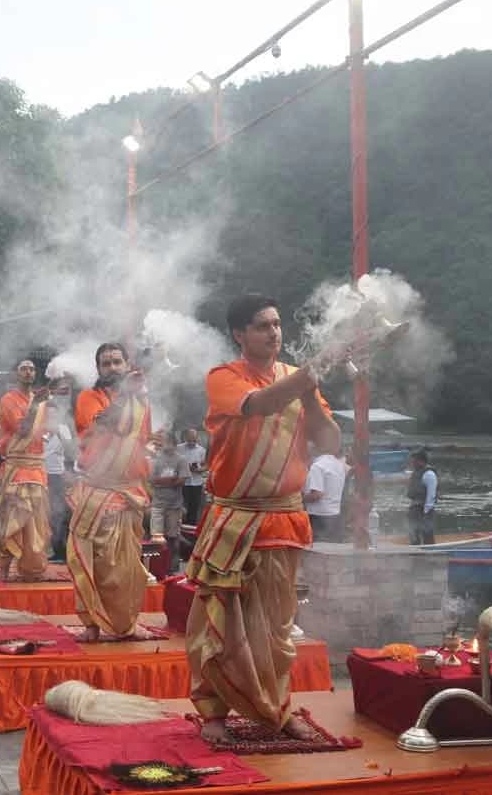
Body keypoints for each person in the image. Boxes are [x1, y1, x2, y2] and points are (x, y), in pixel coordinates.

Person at [185, 293, 339, 743]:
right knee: (217, 621)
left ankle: (277, 708)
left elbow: (331, 442)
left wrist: (310, 393)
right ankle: (213, 714)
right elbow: (258, 405)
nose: (274, 333)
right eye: (262, 326)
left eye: (276, 324)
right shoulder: (223, 377)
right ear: (239, 334)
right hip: (234, 520)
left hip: (283, 519)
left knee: (276, 627)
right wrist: (309, 375)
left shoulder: (298, 380)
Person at [67, 343, 153, 642]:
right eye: (106, 363)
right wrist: (126, 396)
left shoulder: (141, 402)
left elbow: (142, 439)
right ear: (98, 369)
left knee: (127, 567)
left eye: (118, 361)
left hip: (128, 492)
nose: (113, 367)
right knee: (90, 562)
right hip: (97, 491)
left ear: (127, 365)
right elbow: (102, 425)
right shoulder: (88, 397)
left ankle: (125, 624)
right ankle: (91, 625)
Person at [0, 360, 52, 578]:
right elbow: (23, 429)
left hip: (37, 466)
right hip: (17, 467)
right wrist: (36, 404)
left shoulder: (40, 402)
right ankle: (4, 566)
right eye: (23, 369)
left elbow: (45, 432)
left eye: (32, 369)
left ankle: (31, 567)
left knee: (37, 520)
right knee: (12, 518)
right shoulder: (8, 399)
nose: (28, 372)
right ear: (16, 374)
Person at [149, 430, 189, 569]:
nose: (165, 445)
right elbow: (151, 480)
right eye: (163, 442)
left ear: (174, 443)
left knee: (172, 536)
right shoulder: (156, 459)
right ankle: (157, 566)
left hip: (174, 505)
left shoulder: (181, 460)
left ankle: (172, 565)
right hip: (158, 504)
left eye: (168, 442)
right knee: (156, 536)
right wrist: (171, 480)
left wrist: (161, 482)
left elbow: (182, 481)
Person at [44, 413, 74, 560]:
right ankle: (52, 549)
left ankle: (61, 550)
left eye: (53, 414)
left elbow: (70, 452)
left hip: (57, 476)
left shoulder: (63, 429)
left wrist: (58, 433)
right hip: (40, 475)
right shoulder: (38, 429)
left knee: (59, 512)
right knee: (47, 513)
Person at [304, 444, 347, 543]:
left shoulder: (317, 466)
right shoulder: (338, 464)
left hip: (318, 518)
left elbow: (317, 494)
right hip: (335, 516)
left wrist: (298, 499)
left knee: (317, 550)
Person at [405, 449, 438, 545]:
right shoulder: (416, 473)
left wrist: (426, 512)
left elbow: (431, 495)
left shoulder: (429, 474)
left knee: (427, 533)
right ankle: (415, 550)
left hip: (424, 509)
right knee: (413, 533)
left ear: (421, 461)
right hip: (414, 508)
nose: (412, 463)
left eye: (414, 460)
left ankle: (430, 551)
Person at [176, 427, 207, 525]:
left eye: (194, 440)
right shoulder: (179, 448)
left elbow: (205, 465)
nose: (192, 442)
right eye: (190, 440)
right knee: (181, 506)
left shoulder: (202, 450)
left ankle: (191, 526)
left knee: (194, 506)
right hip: (183, 483)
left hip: (196, 483)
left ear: (197, 438)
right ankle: (179, 526)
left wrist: (198, 470)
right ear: (186, 438)